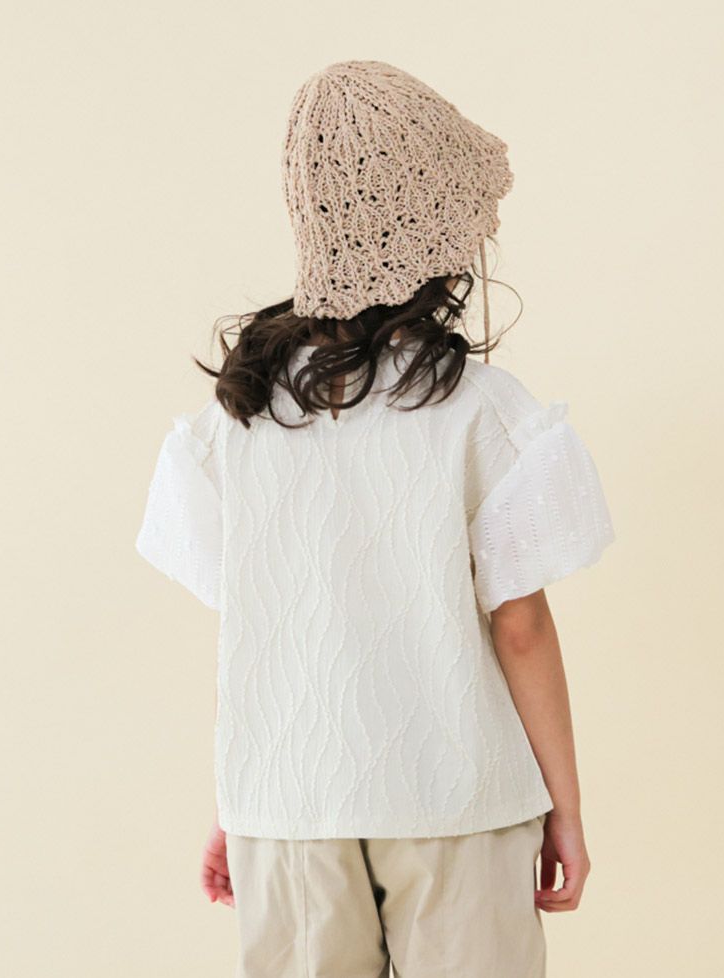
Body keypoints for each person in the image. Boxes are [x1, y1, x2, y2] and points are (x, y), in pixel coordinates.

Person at [135, 59, 616, 978]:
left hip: (289, 804)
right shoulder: (479, 410)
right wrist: (565, 806)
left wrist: (243, 801)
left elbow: (262, 629)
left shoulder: (235, 420)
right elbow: (519, 625)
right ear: (436, 223)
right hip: (457, 797)